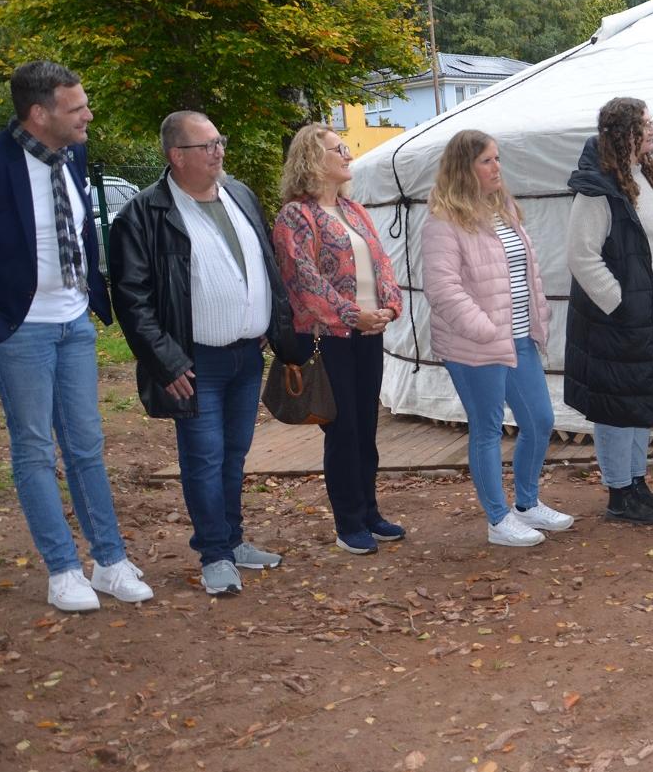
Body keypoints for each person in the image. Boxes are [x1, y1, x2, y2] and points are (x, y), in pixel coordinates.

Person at [0, 60, 152, 611]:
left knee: (86, 446)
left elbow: (82, 229)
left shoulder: (75, 155)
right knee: (35, 449)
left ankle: (109, 561)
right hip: (17, 328)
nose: (88, 115)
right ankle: (63, 570)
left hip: (74, 322)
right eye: (77, 107)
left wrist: (90, 296)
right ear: (39, 113)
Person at [109, 111, 299, 595]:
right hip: (194, 364)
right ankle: (214, 554)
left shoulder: (239, 194)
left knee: (234, 454)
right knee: (203, 457)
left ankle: (232, 542)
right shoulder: (144, 214)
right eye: (207, 145)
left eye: (220, 141)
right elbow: (132, 299)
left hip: (245, 355)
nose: (219, 151)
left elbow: (266, 265)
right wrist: (166, 362)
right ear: (177, 157)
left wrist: (267, 324)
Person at [423, 129, 572, 547]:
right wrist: (485, 329)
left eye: (497, 158)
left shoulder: (502, 209)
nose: (497, 167)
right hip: (474, 344)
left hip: (518, 337)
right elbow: (443, 288)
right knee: (487, 427)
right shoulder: (443, 220)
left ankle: (527, 503)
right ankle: (497, 518)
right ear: (464, 168)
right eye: (487, 160)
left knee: (539, 420)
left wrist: (536, 313)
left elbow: (528, 271)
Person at [273, 124, 405, 554]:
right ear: (313, 160)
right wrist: (354, 314)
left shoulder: (354, 210)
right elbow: (302, 281)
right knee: (343, 428)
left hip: (368, 333)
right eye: (338, 149)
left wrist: (388, 306)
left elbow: (382, 262)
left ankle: (369, 510)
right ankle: (348, 521)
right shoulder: (296, 216)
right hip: (329, 336)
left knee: (366, 425)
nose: (348, 155)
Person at [566, 98, 653, 525]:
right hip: (621, 313)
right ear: (626, 133)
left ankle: (637, 483)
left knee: (641, 397)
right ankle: (619, 493)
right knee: (617, 405)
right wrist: (619, 303)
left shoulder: (649, 180)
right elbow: (581, 256)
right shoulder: (599, 187)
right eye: (647, 123)